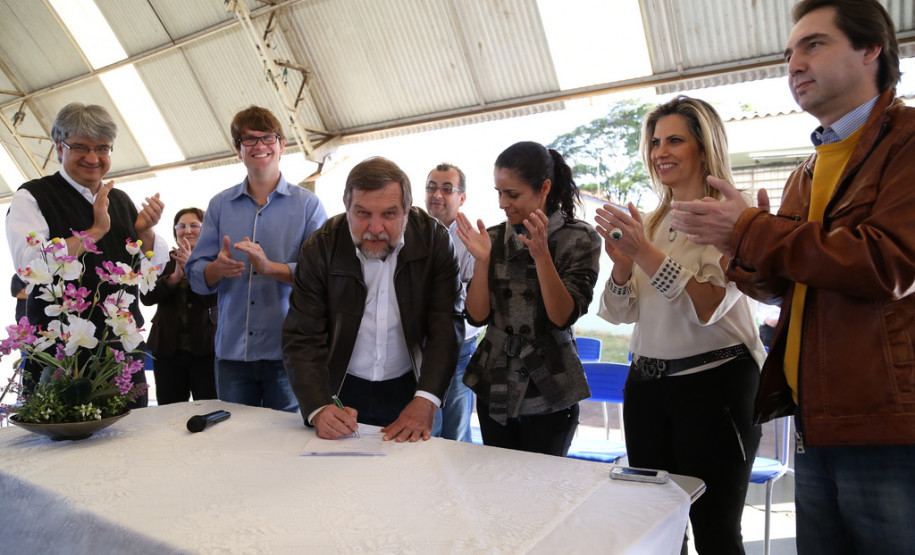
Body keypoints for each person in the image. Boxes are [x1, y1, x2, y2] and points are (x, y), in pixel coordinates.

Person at [671, 1, 915, 552]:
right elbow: (788, 287)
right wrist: (739, 246)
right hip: (815, 415)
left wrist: (752, 230)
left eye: (814, 45)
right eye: (788, 54)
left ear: (871, 49)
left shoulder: (908, 141)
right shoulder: (809, 167)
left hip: (886, 419)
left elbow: (889, 263)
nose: (794, 64)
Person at [597, 96, 766, 554]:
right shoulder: (652, 221)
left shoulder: (731, 216)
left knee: (716, 535)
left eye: (674, 140)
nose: (660, 152)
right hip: (646, 390)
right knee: (658, 530)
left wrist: (645, 253)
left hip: (715, 388)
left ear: (704, 148)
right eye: (655, 142)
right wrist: (621, 266)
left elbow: (708, 306)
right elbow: (621, 313)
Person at [282, 156, 463, 442]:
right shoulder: (320, 247)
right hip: (340, 390)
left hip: (413, 386)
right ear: (347, 206)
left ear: (407, 210)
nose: (375, 228)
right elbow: (302, 336)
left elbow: (446, 327)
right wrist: (318, 407)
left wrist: (427, 399)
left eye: (389, 214)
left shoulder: (435, 240)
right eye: (363, 213)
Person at [5, 102, 169, 406]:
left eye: (102, 148)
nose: (93, 158)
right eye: (80, 147)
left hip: (119, 355)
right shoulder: (33, 196)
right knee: (62, 432)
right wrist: (94, 231)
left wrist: (146, 233)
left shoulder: (120, 200)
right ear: (59, 146)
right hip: (60, 356)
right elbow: (29, 264)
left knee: (132, 432)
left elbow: (152, 278)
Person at [455, 141, 601, 457]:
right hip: (495, 380)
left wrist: (542, 256)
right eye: (499, 193)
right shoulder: (492, 238)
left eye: (512, 194)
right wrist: (482, 262)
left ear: (544, 188)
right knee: (497, 477)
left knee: (543, 483)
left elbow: (562, 316)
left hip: (551, 384)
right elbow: (477, 316)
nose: (502, 204)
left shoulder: (579, 238)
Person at [186, 106, 327, 412]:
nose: (259, 145)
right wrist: (215, 269)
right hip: (232, 353)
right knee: (232, 435)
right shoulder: (220, 205)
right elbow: (195, 275)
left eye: (268, 138)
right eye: (249, 139)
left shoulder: (308, 205)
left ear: (282, 145)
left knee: (285, 437)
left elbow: (321, 276)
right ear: (238, 150)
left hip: (288, 351)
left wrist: (270, 268)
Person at [425, 162, 481, 442]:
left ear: (462, 197)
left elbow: (473, 296)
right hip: (421, 349)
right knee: (425, 430)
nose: (437, 194)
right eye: (432, 187)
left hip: (460, 349)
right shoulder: (410, 233)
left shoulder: (471, 239)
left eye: (447, 189)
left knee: (456, 434)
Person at [141, 208, 218, 405]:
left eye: (194, 225)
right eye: (181, 226)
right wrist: (174, 278)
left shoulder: (214, 261)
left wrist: (192, 270)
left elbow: (213, 301)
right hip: (167, 348)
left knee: (208, 407)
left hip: (206, 347)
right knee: (169, 409)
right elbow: (146, 297)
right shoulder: (163, 259)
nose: (187, 230)